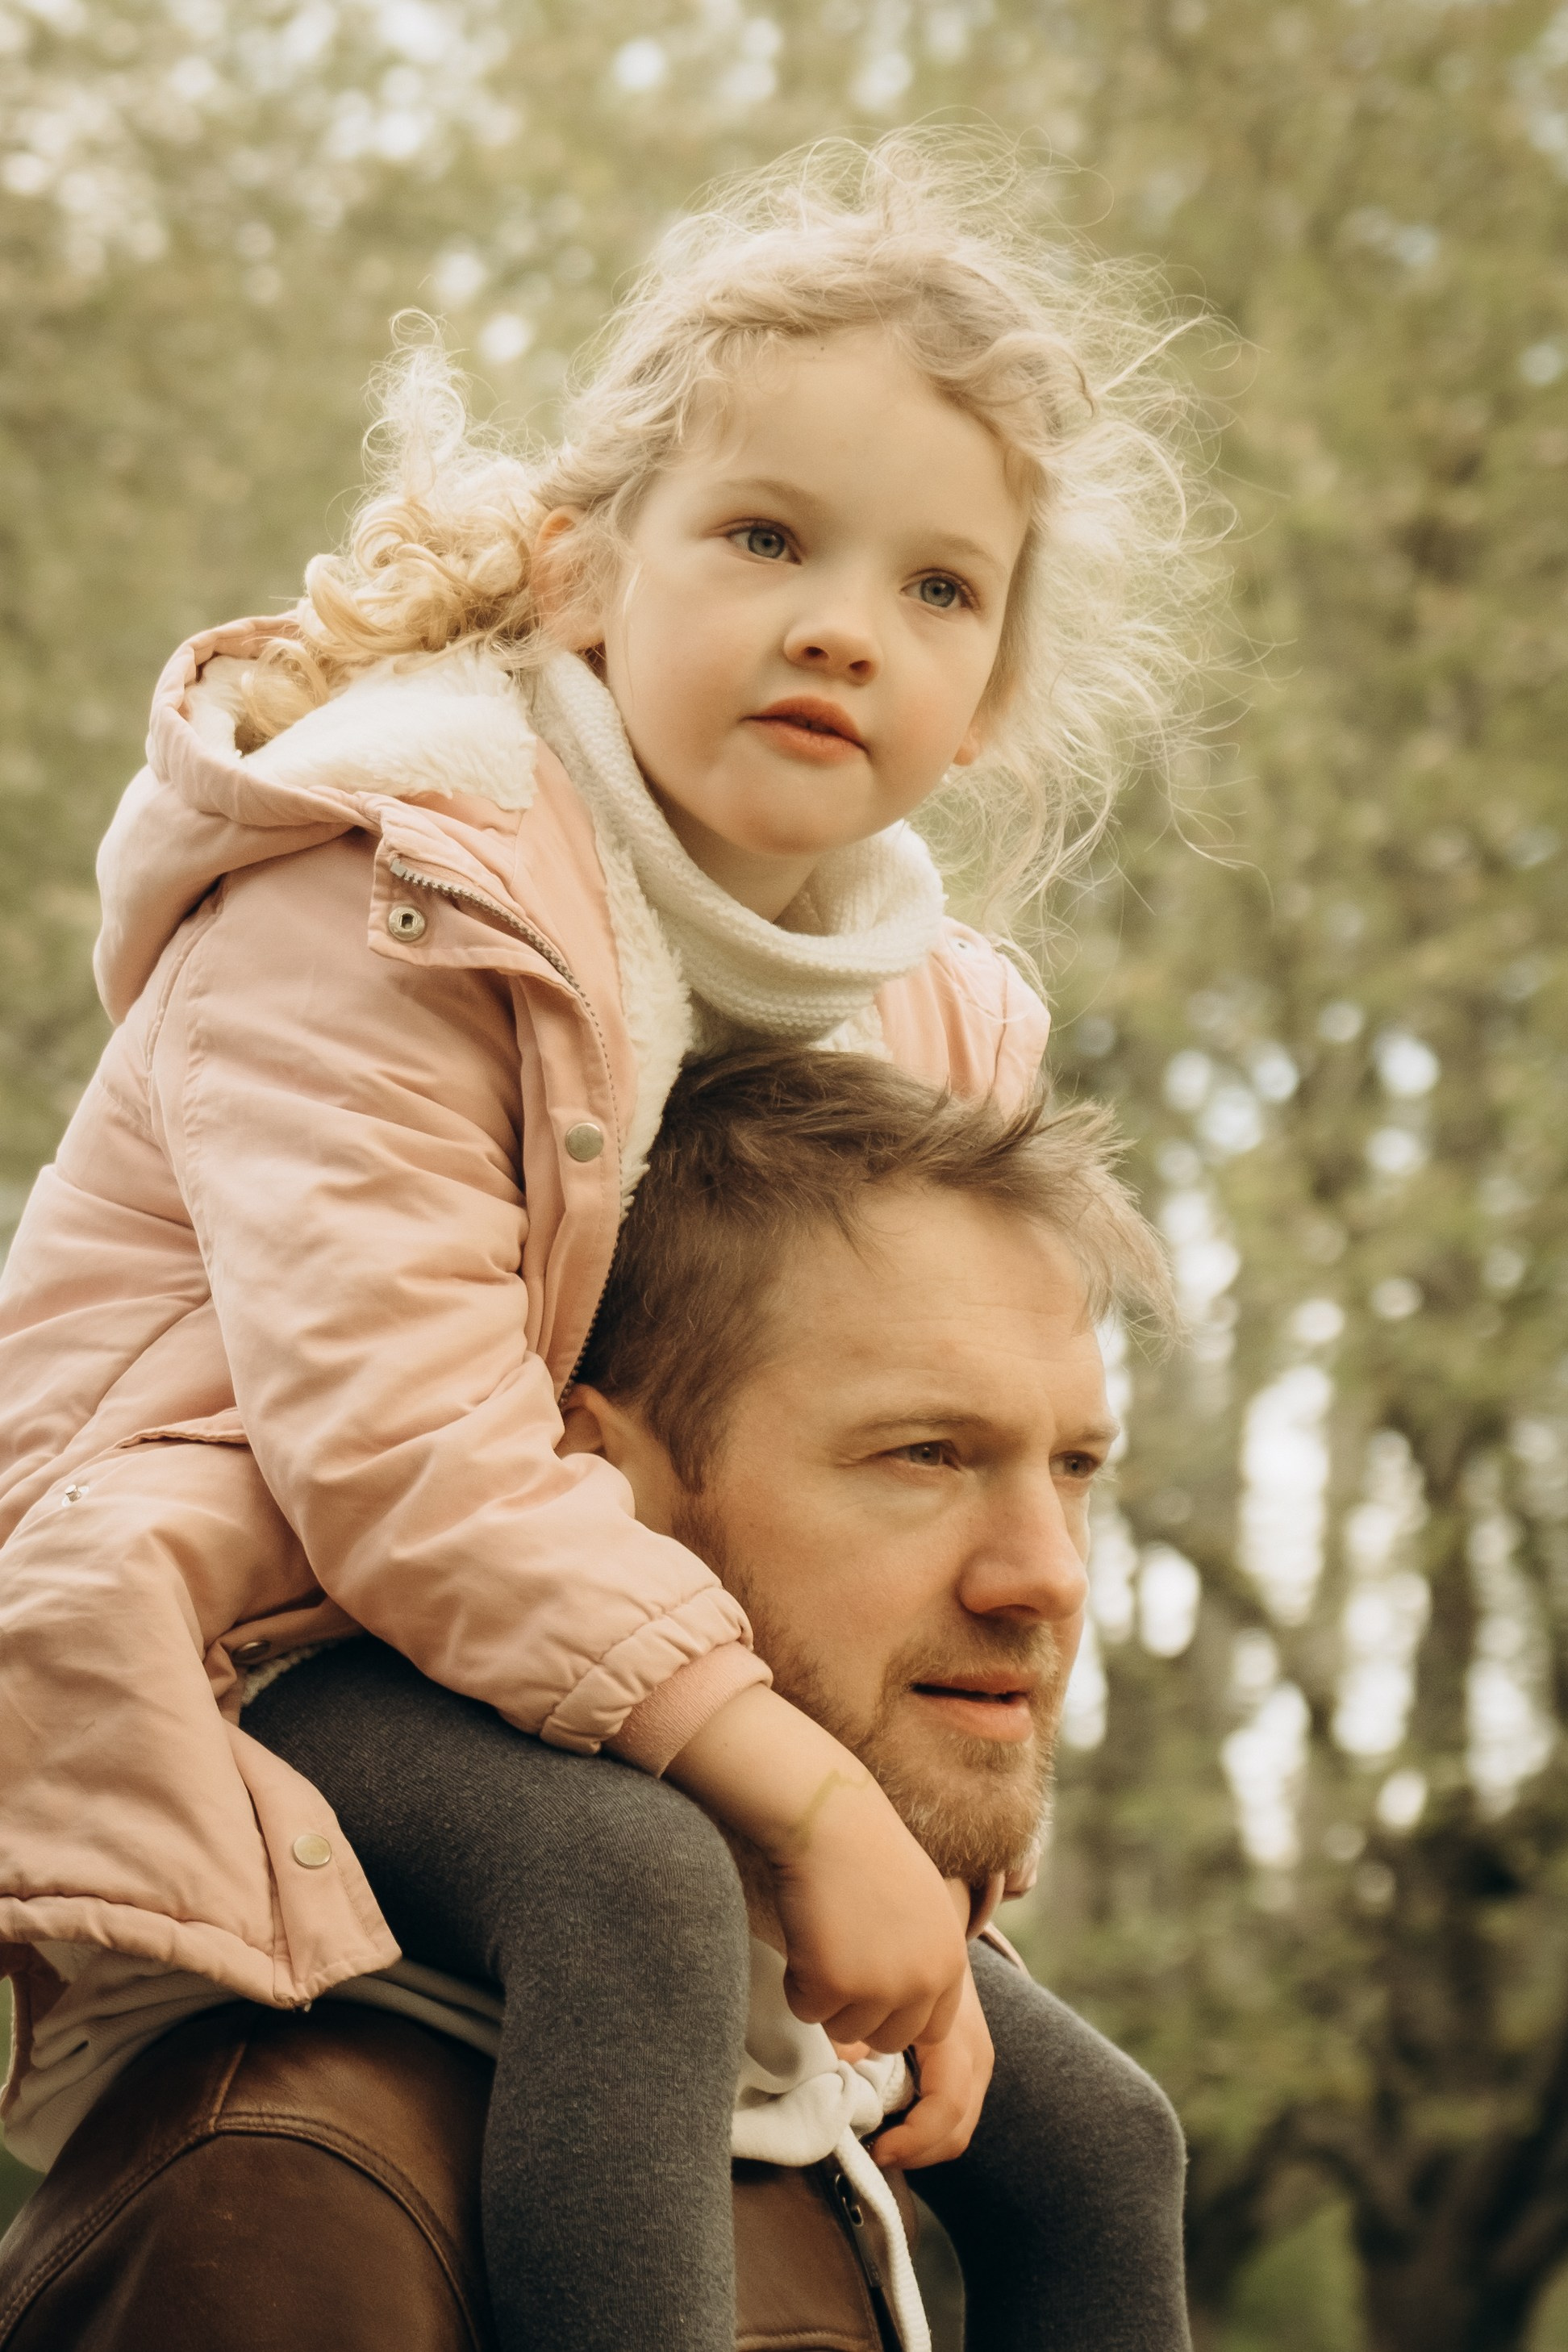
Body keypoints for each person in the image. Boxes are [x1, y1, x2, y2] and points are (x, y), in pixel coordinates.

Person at [0, 134, 1207, 2352]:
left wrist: (918, 1867)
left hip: (595, 1640)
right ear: (578, 573)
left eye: (943, 590)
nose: (849, 617)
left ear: (991, 692)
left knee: (1105, 2134)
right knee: (637, 1888)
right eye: (767, 536)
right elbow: (395, 1460)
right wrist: (800, 1797)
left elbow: (907, 1478)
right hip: (254, 1612)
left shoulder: (936, 1014)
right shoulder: (387, 876)